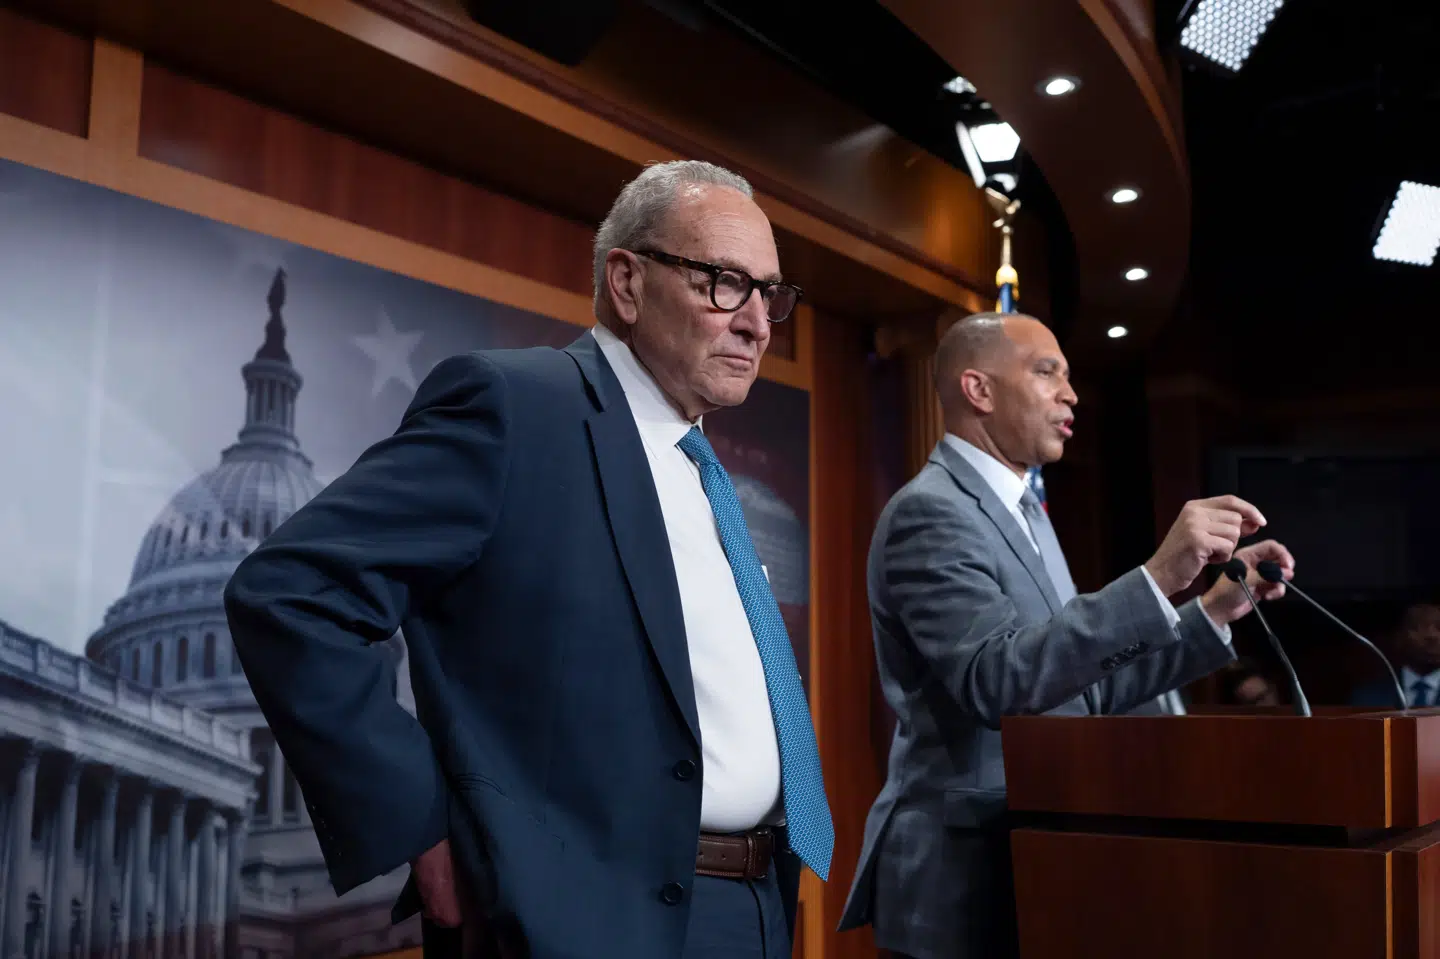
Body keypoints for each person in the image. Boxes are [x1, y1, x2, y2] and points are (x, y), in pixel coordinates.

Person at [223, 160, 833, 959]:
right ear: (627, 282)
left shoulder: (704, 468)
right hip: (587, 924)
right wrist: (418, 820)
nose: (757, 322)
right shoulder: (517, 406)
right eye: (724, 283)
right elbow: (289, 593)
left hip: (753, 909)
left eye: (771, 294)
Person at [837, 312, 1295, 959]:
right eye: (1047, 372)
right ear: (979, 390)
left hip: (1040, 864)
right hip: (961, 886)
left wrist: (1214, 610)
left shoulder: (1027, 510)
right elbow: (998, 681)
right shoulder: (929, 512)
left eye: (1069, 377)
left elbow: (1083, 687)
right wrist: (1159, 575)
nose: (1071, 393)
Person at [1352, 601, 1440, 707]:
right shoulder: (1366, 697)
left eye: (1439, 627)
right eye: (1416, 628)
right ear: (1398, 638)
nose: (1431, 635)